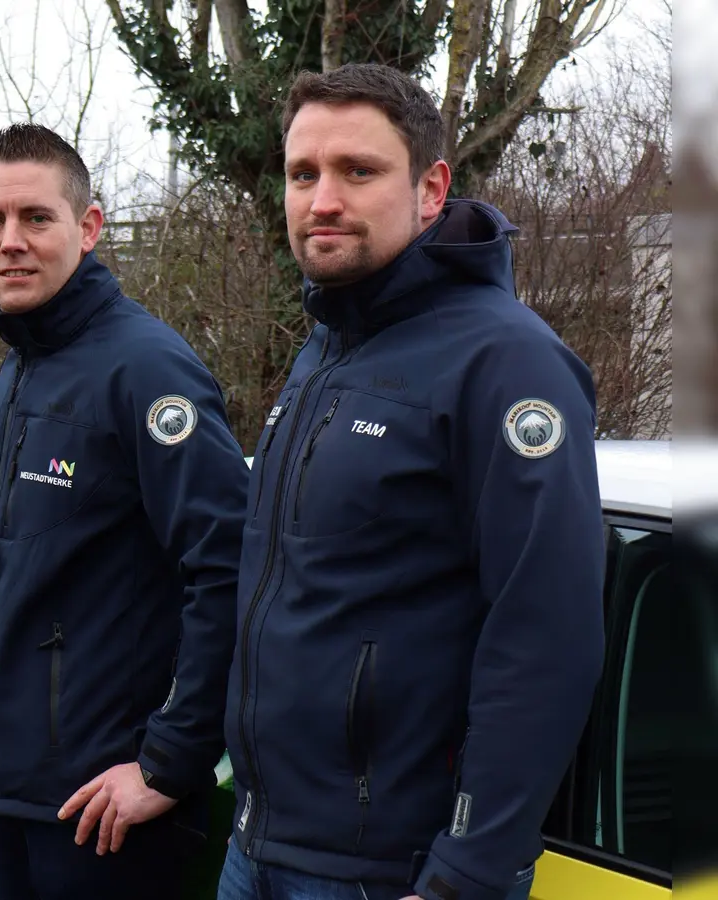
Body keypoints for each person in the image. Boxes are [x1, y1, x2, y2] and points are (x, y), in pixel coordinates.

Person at [217, 63, 605, 900]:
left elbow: (546, 636)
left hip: (388, 870)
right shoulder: (327, 345)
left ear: (431, 189)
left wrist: (469, 866)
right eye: (302, 174)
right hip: (259, 846)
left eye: (359, 171)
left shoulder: (507, 364)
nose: (322, 199)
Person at [0, 122, 250, 899]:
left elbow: (228, 567)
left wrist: (169, 762)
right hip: (17, 795)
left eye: (35, 218)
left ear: (88, 229)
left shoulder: (145, 369)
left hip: (104, 816)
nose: (9, 241)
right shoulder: (22, 369)